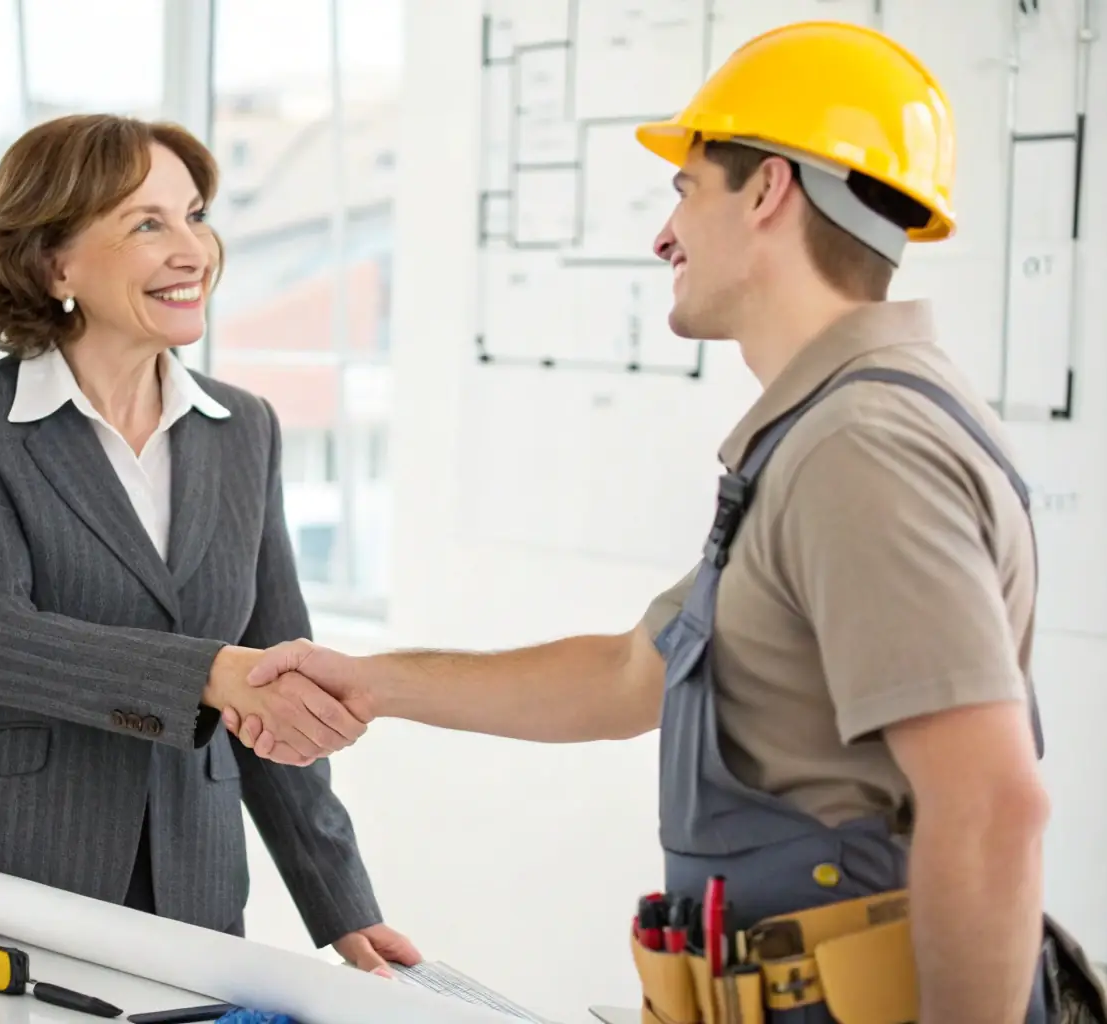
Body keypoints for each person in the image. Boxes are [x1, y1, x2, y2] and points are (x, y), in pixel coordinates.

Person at [224, 21, 1107, 1022]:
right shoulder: (823, 437)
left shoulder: (862, 447)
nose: (664, 234)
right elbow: (630, 672)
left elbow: (992, 809)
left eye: (686, 188)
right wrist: (372, 683)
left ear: (769, 190)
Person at [0, 112, 420, 976]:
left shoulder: (242, 428)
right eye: (148, 224)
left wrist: (340, 904)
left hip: (193, 878)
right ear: (53, 260)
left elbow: (271, 667)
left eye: (196, 215)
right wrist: (209, 673)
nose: (193, 249)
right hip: (11, 863)